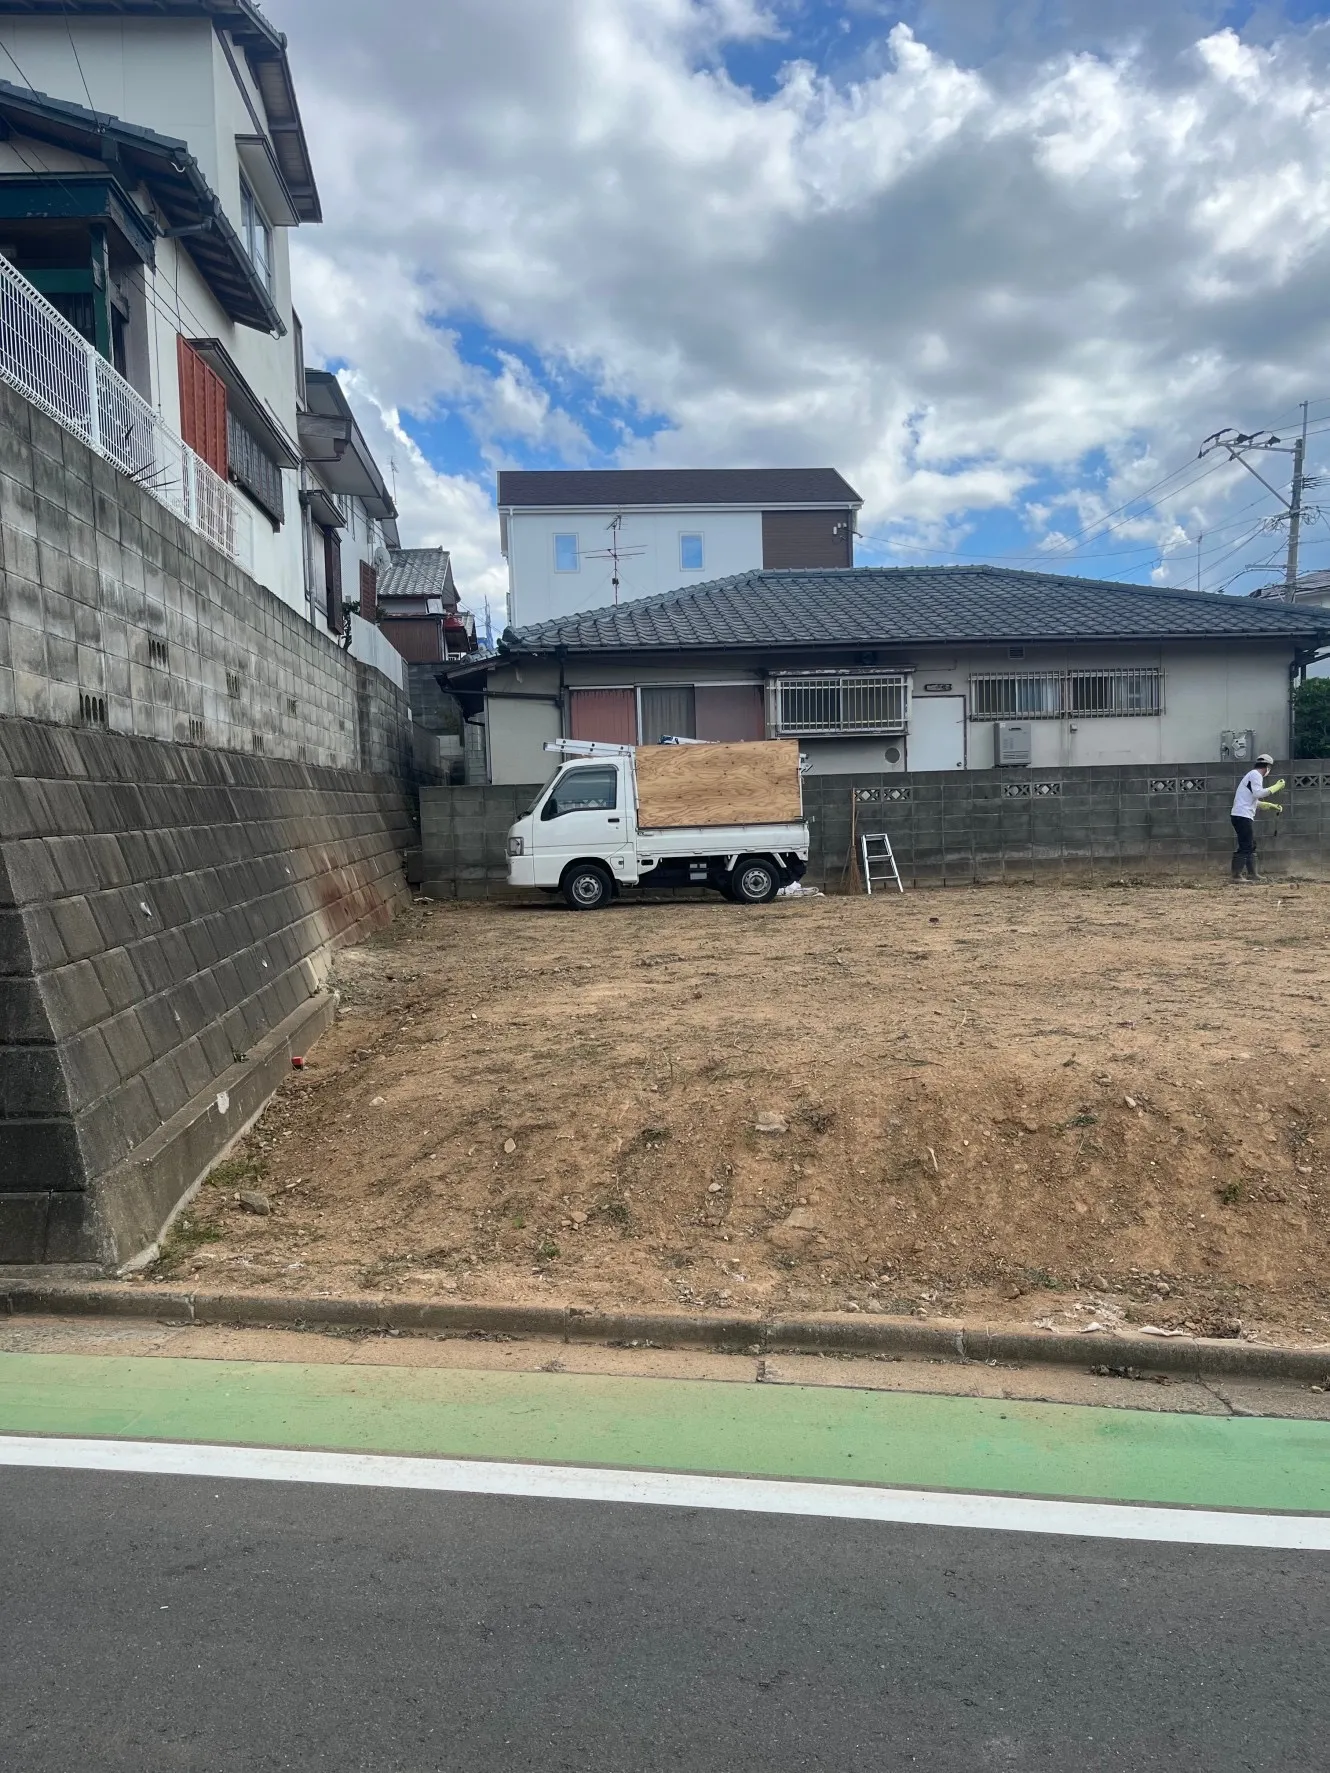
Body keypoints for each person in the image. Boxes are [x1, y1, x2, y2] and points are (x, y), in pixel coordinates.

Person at [1230, 753, 1284, 882]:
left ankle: (1252, 874)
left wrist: (1271, 806)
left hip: (1241, 815)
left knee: (1250, 844)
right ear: (1267, 767)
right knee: (1245, 845)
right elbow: (1259, 793)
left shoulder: (1251, 775)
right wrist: (1277, 787)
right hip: (1242, 815)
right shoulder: (1256, 775)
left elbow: (1254, 800)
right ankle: (1236, 876)